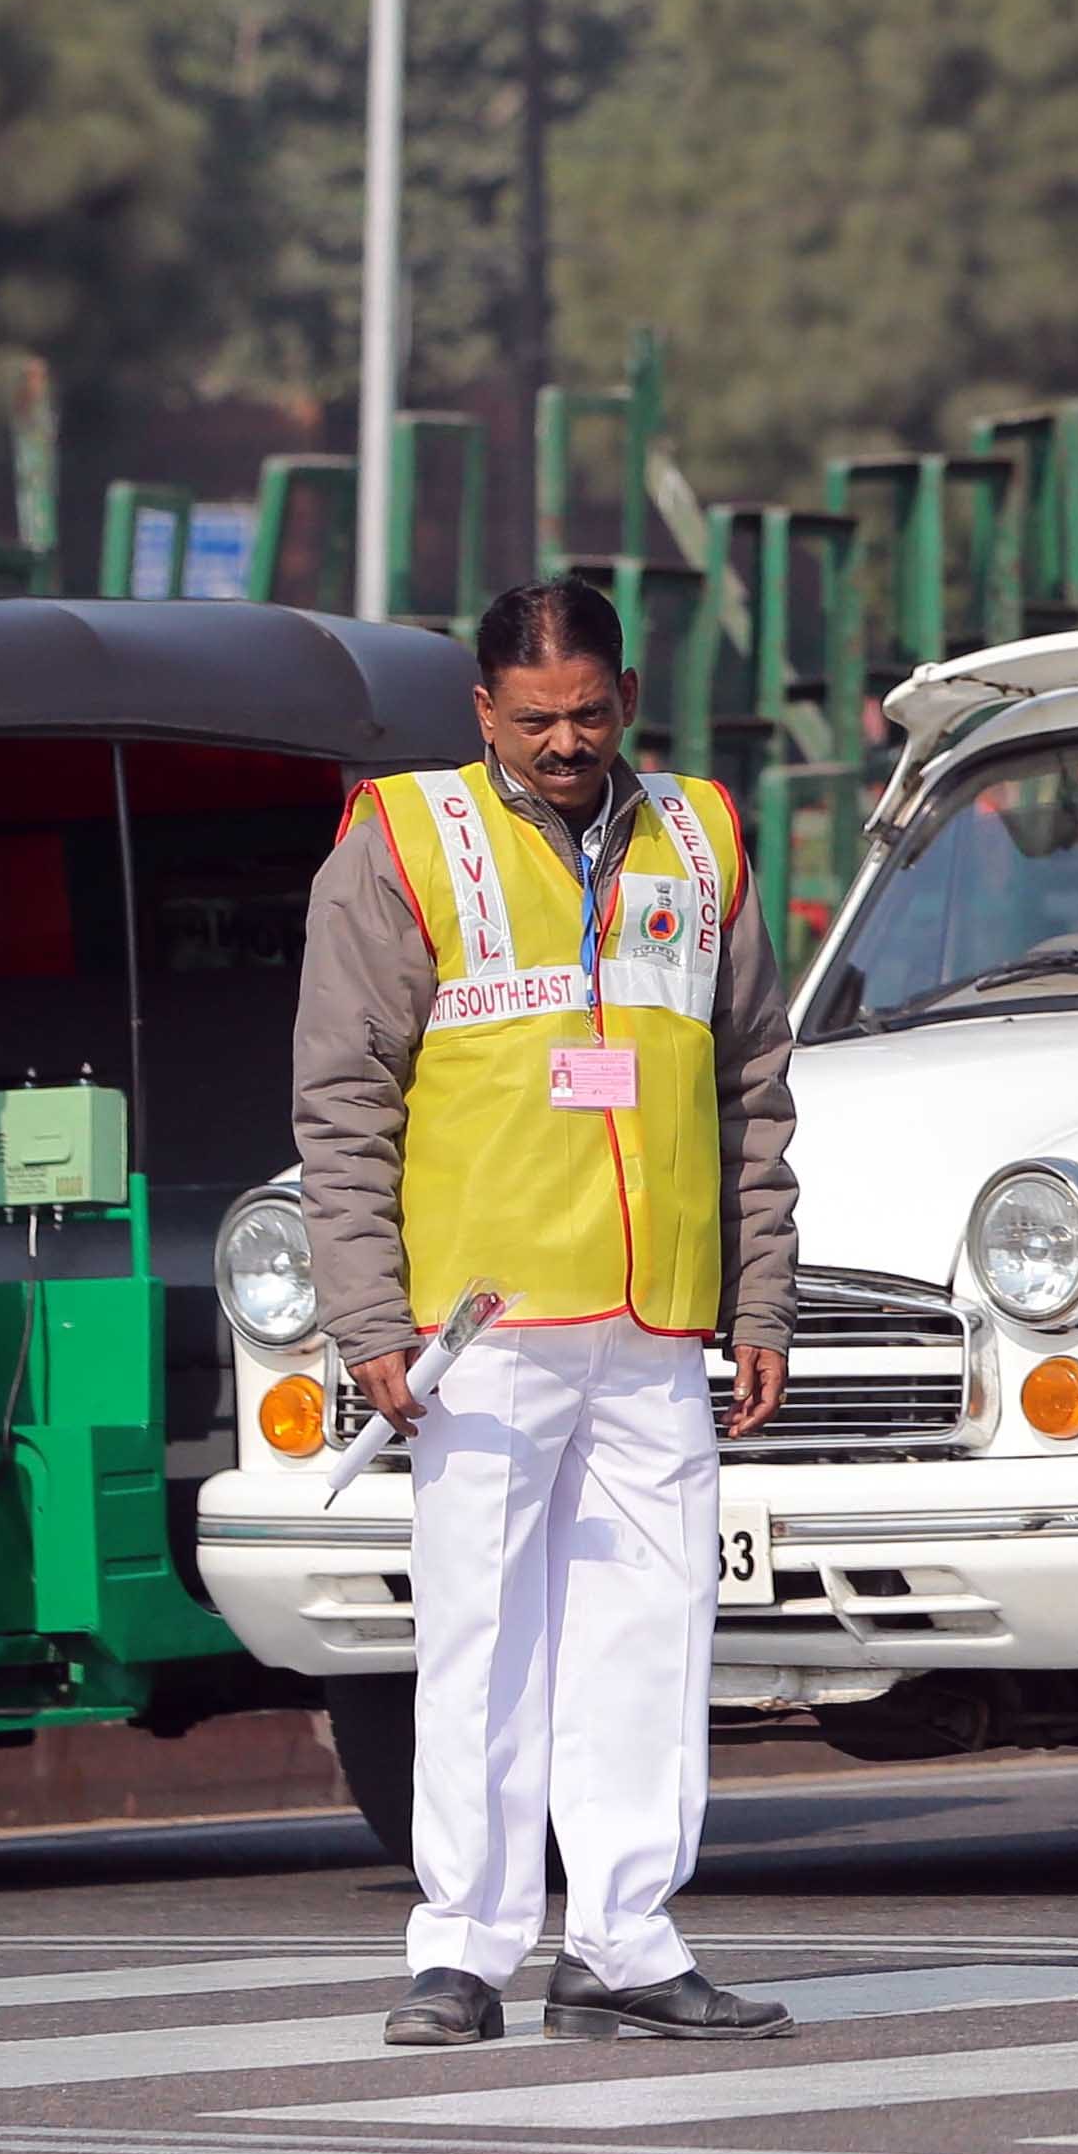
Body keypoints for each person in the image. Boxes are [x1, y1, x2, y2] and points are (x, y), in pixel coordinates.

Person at [295, 572, 800, 2048]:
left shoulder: (701, 837)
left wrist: (760, 1293)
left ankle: (627, 1944)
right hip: (485, 1319)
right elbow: (342, 1096)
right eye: (534, 722)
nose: (565, 744)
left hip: (653, 1316)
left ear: (628, 698)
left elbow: (754, 1083)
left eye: (587, 715)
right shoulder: (404, 840)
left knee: (651, 1636)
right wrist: (366, 1316)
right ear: (482, 713)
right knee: (482, 1638)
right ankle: (460, 1952)